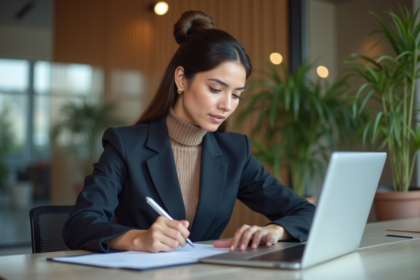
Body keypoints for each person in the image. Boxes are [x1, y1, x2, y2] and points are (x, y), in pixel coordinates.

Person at [63, 10, 315, 253]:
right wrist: (140, 238)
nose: (227, 105)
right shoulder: (126, 145)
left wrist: (275, 230)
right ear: (182, 79)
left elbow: (307, 212)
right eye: (216, 89)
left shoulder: (235, 152)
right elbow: (79, 223)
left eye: (236, 94)